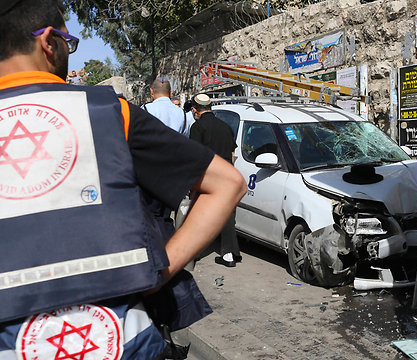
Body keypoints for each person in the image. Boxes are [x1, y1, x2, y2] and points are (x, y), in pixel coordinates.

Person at [0, 1, 246, 360]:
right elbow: (228, 184)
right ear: (49, 42)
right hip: (120, 340)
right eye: (70, 41)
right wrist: (160, 271)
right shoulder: (109, 113)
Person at [190, 94, 242, 267]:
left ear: (195, 110)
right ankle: (229, 255)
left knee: (198, 215)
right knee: (227, 215)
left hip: (207, 177)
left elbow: (195, 157)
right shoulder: (226, 126)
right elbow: (232, 155)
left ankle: (193, 253)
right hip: (226, 176)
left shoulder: (198, 127)